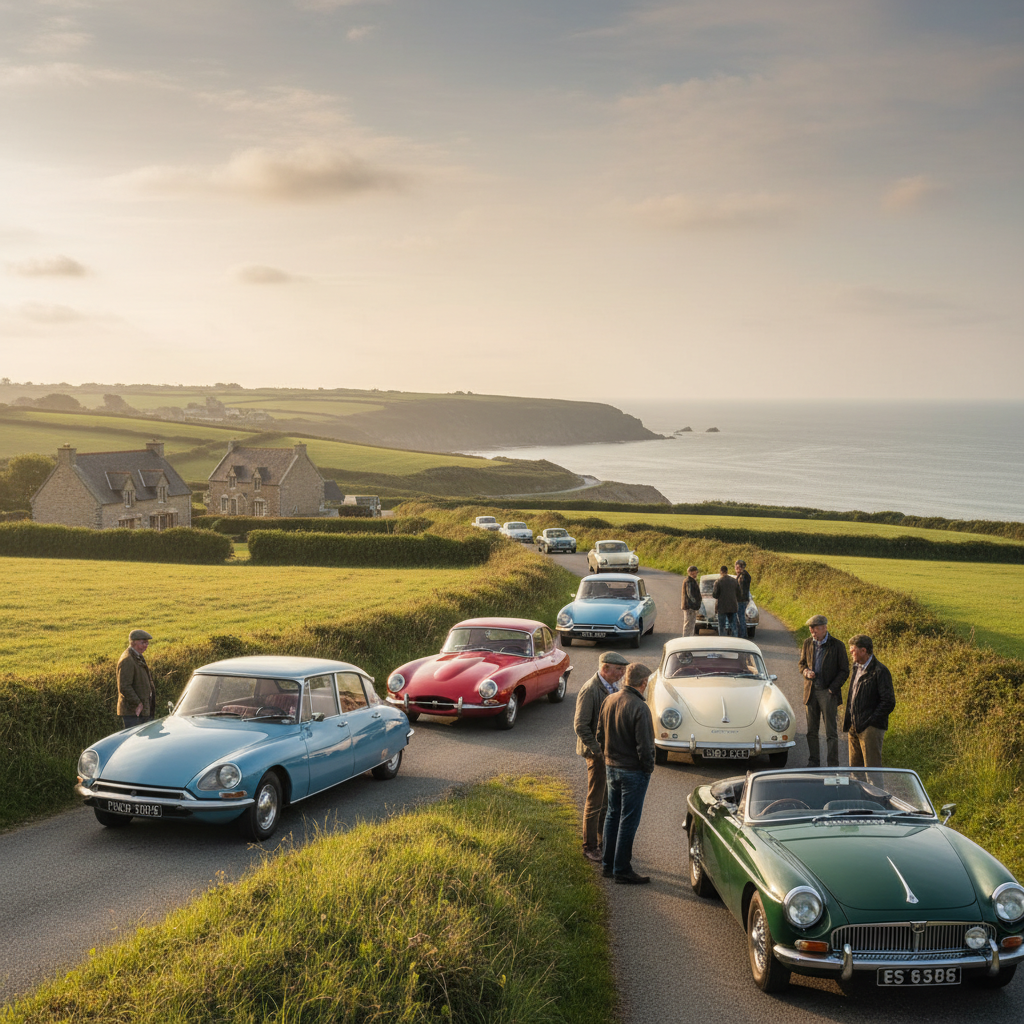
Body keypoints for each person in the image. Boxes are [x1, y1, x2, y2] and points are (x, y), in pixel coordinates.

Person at [597, 662, 655, 884]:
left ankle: (607, 864)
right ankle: (622, 868)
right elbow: (645, 747)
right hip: (633, 771)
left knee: (612, 814)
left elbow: (599, 734)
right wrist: (647, 769)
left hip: (611, 767)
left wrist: (608, 758)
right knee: (628, 820)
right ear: (643, 683)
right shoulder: (640, 708)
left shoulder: (609, 700)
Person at [574, 651, 628, 863]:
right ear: (605, 668)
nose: (622, 673)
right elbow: (580, 725)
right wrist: (597, 750)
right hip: (596, 754)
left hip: (608, 753)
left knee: (606, 800)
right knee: (595, 800)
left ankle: (602, 841)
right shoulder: (590, 689)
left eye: (623, 669)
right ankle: (589, 847)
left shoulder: (613, 687)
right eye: (619, 669)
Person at [798, 614, 849, 767]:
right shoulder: (807, 643)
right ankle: (814, 761)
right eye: (811, 630)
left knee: (831, 733)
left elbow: (844, 670)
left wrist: (832, 689)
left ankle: (832, 764)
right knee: (811, 731)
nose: (812, 633)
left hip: (828, 693)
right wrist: (806, 672)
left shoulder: (837, 645)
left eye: (815, 630)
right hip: (811, 691)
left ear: (825, 628)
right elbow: (801, 664)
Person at [844, 635, 896, 768]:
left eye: (853, 650)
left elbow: (888, 702)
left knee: (872, 772)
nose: (850, 652)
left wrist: (870, 722)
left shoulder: (880, 671)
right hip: (854, 727)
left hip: (870, 729)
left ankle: (875, 790)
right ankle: (857, 790)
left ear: (863, 651)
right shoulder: (856, 667)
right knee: (855, 772)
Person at [117, 629, 156, 728]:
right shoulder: (127, 660)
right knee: (135, 740)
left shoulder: (137, 656)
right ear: (133, 643)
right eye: (142, 643)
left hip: (141, 710)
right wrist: (138, 703)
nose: (145, 646)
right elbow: (124, 686)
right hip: (133, 712)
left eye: (147, 643)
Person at [712, 565, 741, 637]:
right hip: (733, 606)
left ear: (720, 572)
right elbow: (739, 594)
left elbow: (715, 595)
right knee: (733, 626)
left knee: (722, 626)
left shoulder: (718, 582)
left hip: (722, 607)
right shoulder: (734, 581)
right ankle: (735, 640)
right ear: (727, 571)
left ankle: (723, 641)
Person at [681, 565, 702, 637]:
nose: (694, 574)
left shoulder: (692, 581)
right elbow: (690, 594)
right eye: (692, 573)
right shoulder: (689, 581)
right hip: (689, 606)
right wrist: (695, 603)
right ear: (689, 573)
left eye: (695, 573)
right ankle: (686, 638)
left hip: (690, 606)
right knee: (688, 624)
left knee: (692, 624)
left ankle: (689, 638)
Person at [734, 559, 752, 639]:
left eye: (737, 567)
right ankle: (741, 634)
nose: (736, 568)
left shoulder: (742, 577)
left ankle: (742, 635)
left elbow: (740, 590)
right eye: (736, 566)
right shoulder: (744, 575)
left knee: (740, 617)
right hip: (743, 599)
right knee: (741, 617)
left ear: (741, 567)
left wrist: (736, 597)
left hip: (740, 600)